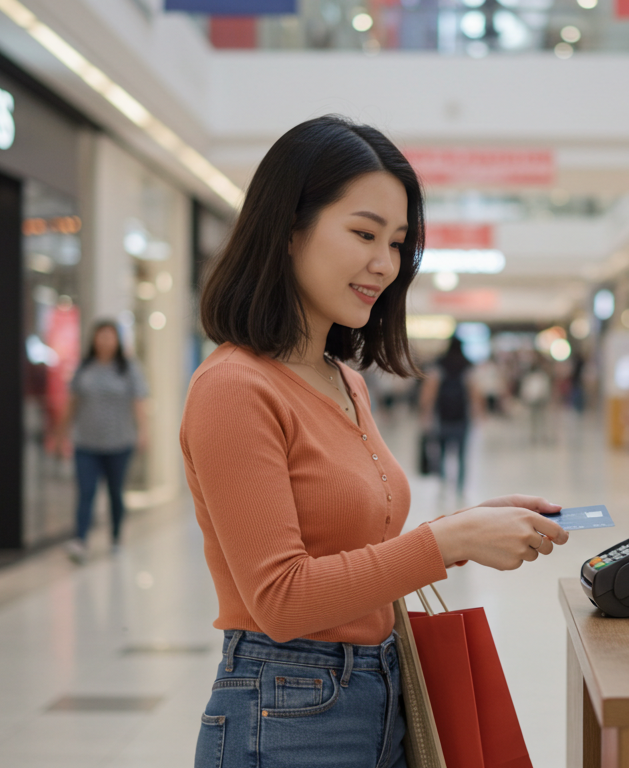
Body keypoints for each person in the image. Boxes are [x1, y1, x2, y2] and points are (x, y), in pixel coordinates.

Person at [182, 115, 569, 768]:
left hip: (379, 687)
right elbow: (281, 601)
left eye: (396, 243)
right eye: (363, 233)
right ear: (287, 228)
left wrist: (465, 527)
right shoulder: (234, 386)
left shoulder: (343, 378)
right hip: (288, 705)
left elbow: (354, 552)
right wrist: (445, 545)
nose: (384, 264)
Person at [59, 320, 148, 562]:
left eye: (110, 337)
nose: (105, 341)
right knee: (85, 491)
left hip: (119, 442)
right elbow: (72, 402)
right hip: (86, 442)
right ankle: (80, 540)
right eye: (101, 336)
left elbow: (139, 402)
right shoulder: (85, 367)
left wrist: (143, 431)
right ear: (94, 340)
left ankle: (117, 536)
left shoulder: (128, 368)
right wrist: (61, 433)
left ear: (117, 340)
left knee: (115, 492)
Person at [419, 335, 482, 493]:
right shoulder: (467, 365)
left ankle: (443, 485)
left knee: (441, 453)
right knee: (461, 455)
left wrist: (425, 413)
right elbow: (474, 391)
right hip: (462, 417)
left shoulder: (439, 364)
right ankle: (460, 488)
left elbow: (430, 391)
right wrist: (477, 413)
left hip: (442, 416)